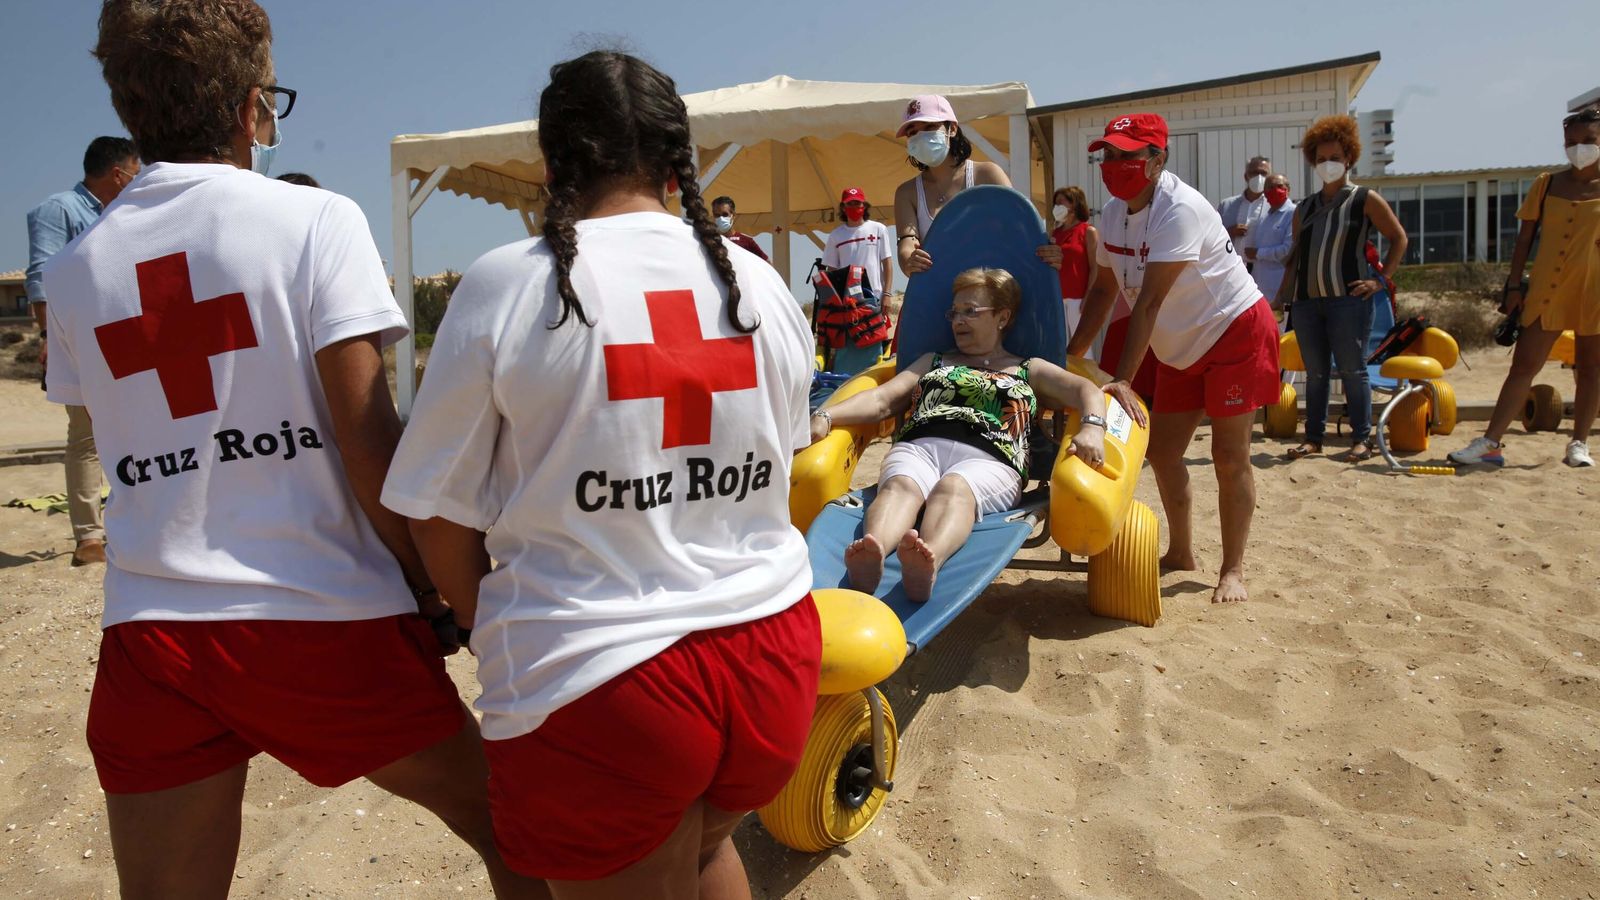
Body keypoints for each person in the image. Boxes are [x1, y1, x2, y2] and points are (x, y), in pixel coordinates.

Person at [45, 3, 542, 897]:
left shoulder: (79, 268)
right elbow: (368, 441)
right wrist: (428, 584)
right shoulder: (314, 221)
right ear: (251, 108)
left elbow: (126, 435)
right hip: (316, 616)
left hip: (150, 633)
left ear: (127, 106)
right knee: (518, 832)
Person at [381, 51, 820, 898]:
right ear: (677, 165)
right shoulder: (760, 283)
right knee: (702, 852)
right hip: (771, 655)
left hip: (606, 685)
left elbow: (433, 511)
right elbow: (780, 461)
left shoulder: (513, 283)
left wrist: (484, 624)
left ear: (551, 166)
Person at [1071, 113, 1280, 605]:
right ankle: (1182, 551)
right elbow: (1103, 291)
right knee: (1163, 453)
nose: (1114, 164)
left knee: (1229, 457)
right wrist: (1070, 357)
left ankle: (1232, 570)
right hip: (1180, 344)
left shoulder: (1180, 208)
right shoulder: (1112, 214)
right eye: (1108, 155)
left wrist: (1123, 380)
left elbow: (1148, 303)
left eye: (1127, 155)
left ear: (1157, 160)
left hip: (1234, 330)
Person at [811, 267, 1106, 602]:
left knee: (954, 488)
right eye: (954, 313)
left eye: (971, 311)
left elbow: (1086, 390)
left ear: (1002, 316)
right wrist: (825, 415)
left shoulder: (1028, 369)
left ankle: (928, 559)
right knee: (900, 485)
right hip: (920, 447)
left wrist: (1093, 427)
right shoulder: (934, 361)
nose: (958, 321)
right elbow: (882, 399)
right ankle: (873, 550)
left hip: (992, 459)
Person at [1450, 106, 1600, 468]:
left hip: (1594, 289)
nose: (1578, 148)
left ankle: (1579, 443)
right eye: (1571, 142)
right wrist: (1514, 285)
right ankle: (1491, 442)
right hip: (1548, 288)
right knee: (1524, 365)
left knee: (1591, 368)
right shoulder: (1547, 183)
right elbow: (1524, 239)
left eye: (1588, 140)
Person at [25, 135, 140, 567]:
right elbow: (41, 277)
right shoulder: (60, 210)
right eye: (136, 171)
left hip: (127, 334)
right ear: (118, 174)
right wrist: (48, 339)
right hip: (83, 340)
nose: (139, 179)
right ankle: (89, 536)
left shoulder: (124, 214)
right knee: (86, 435)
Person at [1272, 114, 1408, 462]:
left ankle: (1361, 439)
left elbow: (1398, 239)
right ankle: (1313, 439)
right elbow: (1296, 256)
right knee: (1316, 373)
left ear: (1349, 157)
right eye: (1321, 159)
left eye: (1334, 157)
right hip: (1307, 303)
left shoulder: (1365, 199)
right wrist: (1282, 297)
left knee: (1352, 370)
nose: (1327, 164)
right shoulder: (1304, 207)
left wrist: (1380, 281)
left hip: (1349, 301)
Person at [892, 94, 1061, 277]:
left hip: (994, 290)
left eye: (929, 127)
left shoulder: (988, 174)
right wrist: (909, 261)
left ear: (952, 129)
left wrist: (1048, 253)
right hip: (936, 291)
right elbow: (907, 245)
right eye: (912, 133)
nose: (921, 136)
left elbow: (1020, 230)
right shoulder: (906, 193)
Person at [823, 187, 895, 298]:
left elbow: (887, 262)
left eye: (857, 203)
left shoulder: (879, 229)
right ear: (843, 208)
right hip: (848, 297)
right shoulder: (835, 235)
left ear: (864, 205)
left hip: (876, 295)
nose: (854, 207)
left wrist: (887, 293)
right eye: (849, 204)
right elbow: (832, 269)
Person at [1051, 185, 1100, 342]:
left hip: (1078, 300)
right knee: (1060, 345)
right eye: (1055, 203)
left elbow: (1095, 268)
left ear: (1074, 204)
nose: (1057, 206)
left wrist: (1089, 298)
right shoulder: (1055, 233)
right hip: (1057, 299)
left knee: (1081, 347)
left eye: (1061, 202)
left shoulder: (1088, 231)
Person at [1245, 173, 1295, 314]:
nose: (1275, 190)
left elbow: (1288, 250)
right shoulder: (1265, 217)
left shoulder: (1292, 213)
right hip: (1260, 287)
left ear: (1288, 189)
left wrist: (1258, 253)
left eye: (1279, 186)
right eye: (1270, 187)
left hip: (1279, 287)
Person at [1218, 156, 1272, 265]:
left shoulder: (1273, 207)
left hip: (1262, 268)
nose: (1259, 177)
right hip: (1233, 266)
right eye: (1254, 173)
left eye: (1263, 173)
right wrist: (1230, 232)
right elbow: (1214, 236)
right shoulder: (1227, 205)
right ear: (1246, 176)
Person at [710, 195, 771, 262]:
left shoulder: (747, 241)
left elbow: (767, 263)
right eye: (717, 215)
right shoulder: (710, 241)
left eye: (725, 214)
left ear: (733, 215)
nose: (721, 218)